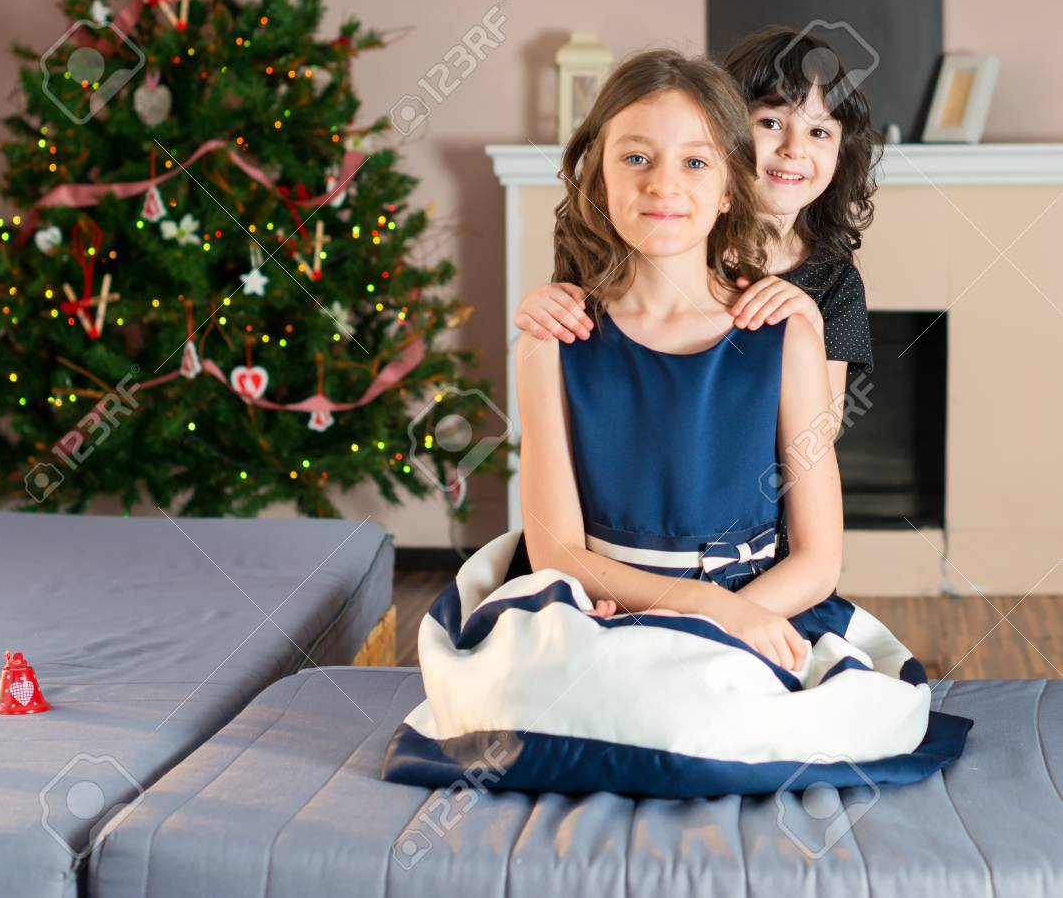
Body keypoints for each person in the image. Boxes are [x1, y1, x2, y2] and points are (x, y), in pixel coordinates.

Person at [382, 48, 972, 799]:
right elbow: (556, 547)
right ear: (598, 176)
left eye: (695, 163)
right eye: (636, 157)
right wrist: (679, 611)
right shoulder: (552, 340)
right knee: (547, 695)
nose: (663, 184)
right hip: (595, 601)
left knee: (711, 704)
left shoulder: (788, 330)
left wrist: (719, 618)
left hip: (754, 601)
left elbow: (819, 559)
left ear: (731, 186)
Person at [514, 26, 881, 558]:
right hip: (619, 546)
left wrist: (807, 322)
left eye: (820, 132)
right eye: (771, 122)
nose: (793, 148)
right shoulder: (666, 238)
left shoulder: (829, 284)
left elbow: (811, 442)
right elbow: (584, 346)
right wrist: (541, 305)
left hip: (760, 540)